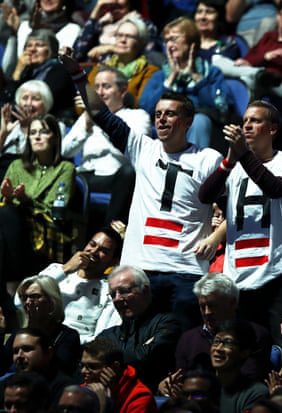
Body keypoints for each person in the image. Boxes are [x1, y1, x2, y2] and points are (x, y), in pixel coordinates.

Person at [60, 47, 224, 330]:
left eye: (170, 115)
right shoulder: (141, 147)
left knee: (177, 341)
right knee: (136, 341)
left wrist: (215, 237)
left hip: (186, 270)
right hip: (141, 269)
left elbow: (233, 207)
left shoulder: (208, 159)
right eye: (158, 114)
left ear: (187, 123)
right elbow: (100, 113)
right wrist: (77, 73)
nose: (161, 119)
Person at [198, 100, 282, 348]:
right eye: (245, 121)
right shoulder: (235, 166)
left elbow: (275, 188)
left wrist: (243, 155)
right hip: (239, 278)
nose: (247, 126)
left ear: (272, 129)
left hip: (278, 275)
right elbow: (205, 197)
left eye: (255, 121)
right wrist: (228, 160)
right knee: (245, 352)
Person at [63, 67, 149, 225]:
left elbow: (134, 150)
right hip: (84, 176)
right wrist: (87, 126)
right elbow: (65, 151)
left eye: (106, 87)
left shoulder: (137, 116)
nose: (99, 93)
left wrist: (102, 120)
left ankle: (108, 234)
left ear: (123, 91)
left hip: (114, 177)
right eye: (96, 87)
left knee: (129, 173)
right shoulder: (85, 117)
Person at [0, 113, 74, 289]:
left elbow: (54, 208)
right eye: (33, 133)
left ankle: (12, 287)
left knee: (7, 214)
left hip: (45, 226)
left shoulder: (65, 168)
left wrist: (25, 200)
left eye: (44, 132)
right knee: (5, 213)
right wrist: (7, 197)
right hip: (12, 223)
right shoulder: (16, 166)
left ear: (55, 137)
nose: (37, 137)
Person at [139, 17, 231, 149]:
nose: (169, 45)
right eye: (166, 41)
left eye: (174, 39)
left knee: (199, 121)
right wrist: (171, 79)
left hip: (207, 130)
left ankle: (193, 167)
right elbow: (146, 109)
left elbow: (221, 108)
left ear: (191, 42)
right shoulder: (160, 76)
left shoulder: (211, 73)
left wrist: (196, 78)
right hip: (167, 133)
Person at [171, 272, 271, 380]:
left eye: (213, 306)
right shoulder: (188, 339)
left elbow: (249, 380)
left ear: (233, 303)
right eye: (202, 306)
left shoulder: (256, 335)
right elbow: (182, 381)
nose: (207, 312)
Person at [215, 0, 282, 103]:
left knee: (252, 80)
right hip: (257, 75)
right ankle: (258, 73)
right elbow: (248, 60)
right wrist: (265, 57)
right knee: (217, 61)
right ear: (278, 16)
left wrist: (274, 60)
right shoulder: (268, 36)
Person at [97, 266, 181, 390]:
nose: (117, 299)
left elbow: (143, 360)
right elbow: (90, 364)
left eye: (124, 291)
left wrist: (111, 366)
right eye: (113, 294)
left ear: (145, 290)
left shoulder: (168, 323)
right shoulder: (108, 334)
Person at [35, 227, 123, 343]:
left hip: (77, 348)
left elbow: (102, 337)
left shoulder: (109, 289)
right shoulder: (56, 270)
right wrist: (66, 269)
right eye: (92, 244)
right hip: (39, 339)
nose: (93, 251)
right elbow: (19, 301)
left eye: (103, 251)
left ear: (113, 261)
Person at [9, 275, 82, 375]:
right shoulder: (18, 335)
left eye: (35, 296)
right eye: (24, 298)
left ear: (52, 301)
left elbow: (61, 373)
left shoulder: (67, 336)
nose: (28, 302)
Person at [86, 16, 160, 106]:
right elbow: (81, 104)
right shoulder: (101, 68)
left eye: (129, 36)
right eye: (119, 35)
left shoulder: (149, 71)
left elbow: (140, 105)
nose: (123, 40)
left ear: (141, 42)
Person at [3, 29, 74, 118]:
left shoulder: (60, 70)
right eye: (29, 45)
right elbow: (6, 98)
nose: (32, 49)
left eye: (39, 45)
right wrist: (18, 71)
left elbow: (43, 101)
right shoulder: (26, 71)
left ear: (52, 49)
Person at [80, 337, 157, 413]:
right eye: (82, 365)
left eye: (92, 366)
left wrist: (103, 405)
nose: (83, 371)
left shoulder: (140, 398)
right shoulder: (82, 390)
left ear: (114, 367)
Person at [0, 80, 58, 178]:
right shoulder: (12, 126)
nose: (28, 103)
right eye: (25, 98)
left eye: (35, 99)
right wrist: (3, 133)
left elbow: (42, 157)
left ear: (45, 103)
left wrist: (27, 129)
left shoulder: (53, 126)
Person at [3, 328, 79, 404]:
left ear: (48, 353)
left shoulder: (65, 390)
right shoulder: (6, 385)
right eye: (15, 351)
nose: (19, 355)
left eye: (27, 349)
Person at [211, 319, 269, 412]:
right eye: (216, 341)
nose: (218, 348)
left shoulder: (256, 393)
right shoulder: (205, 387)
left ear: (244, 352)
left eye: (228, 343)